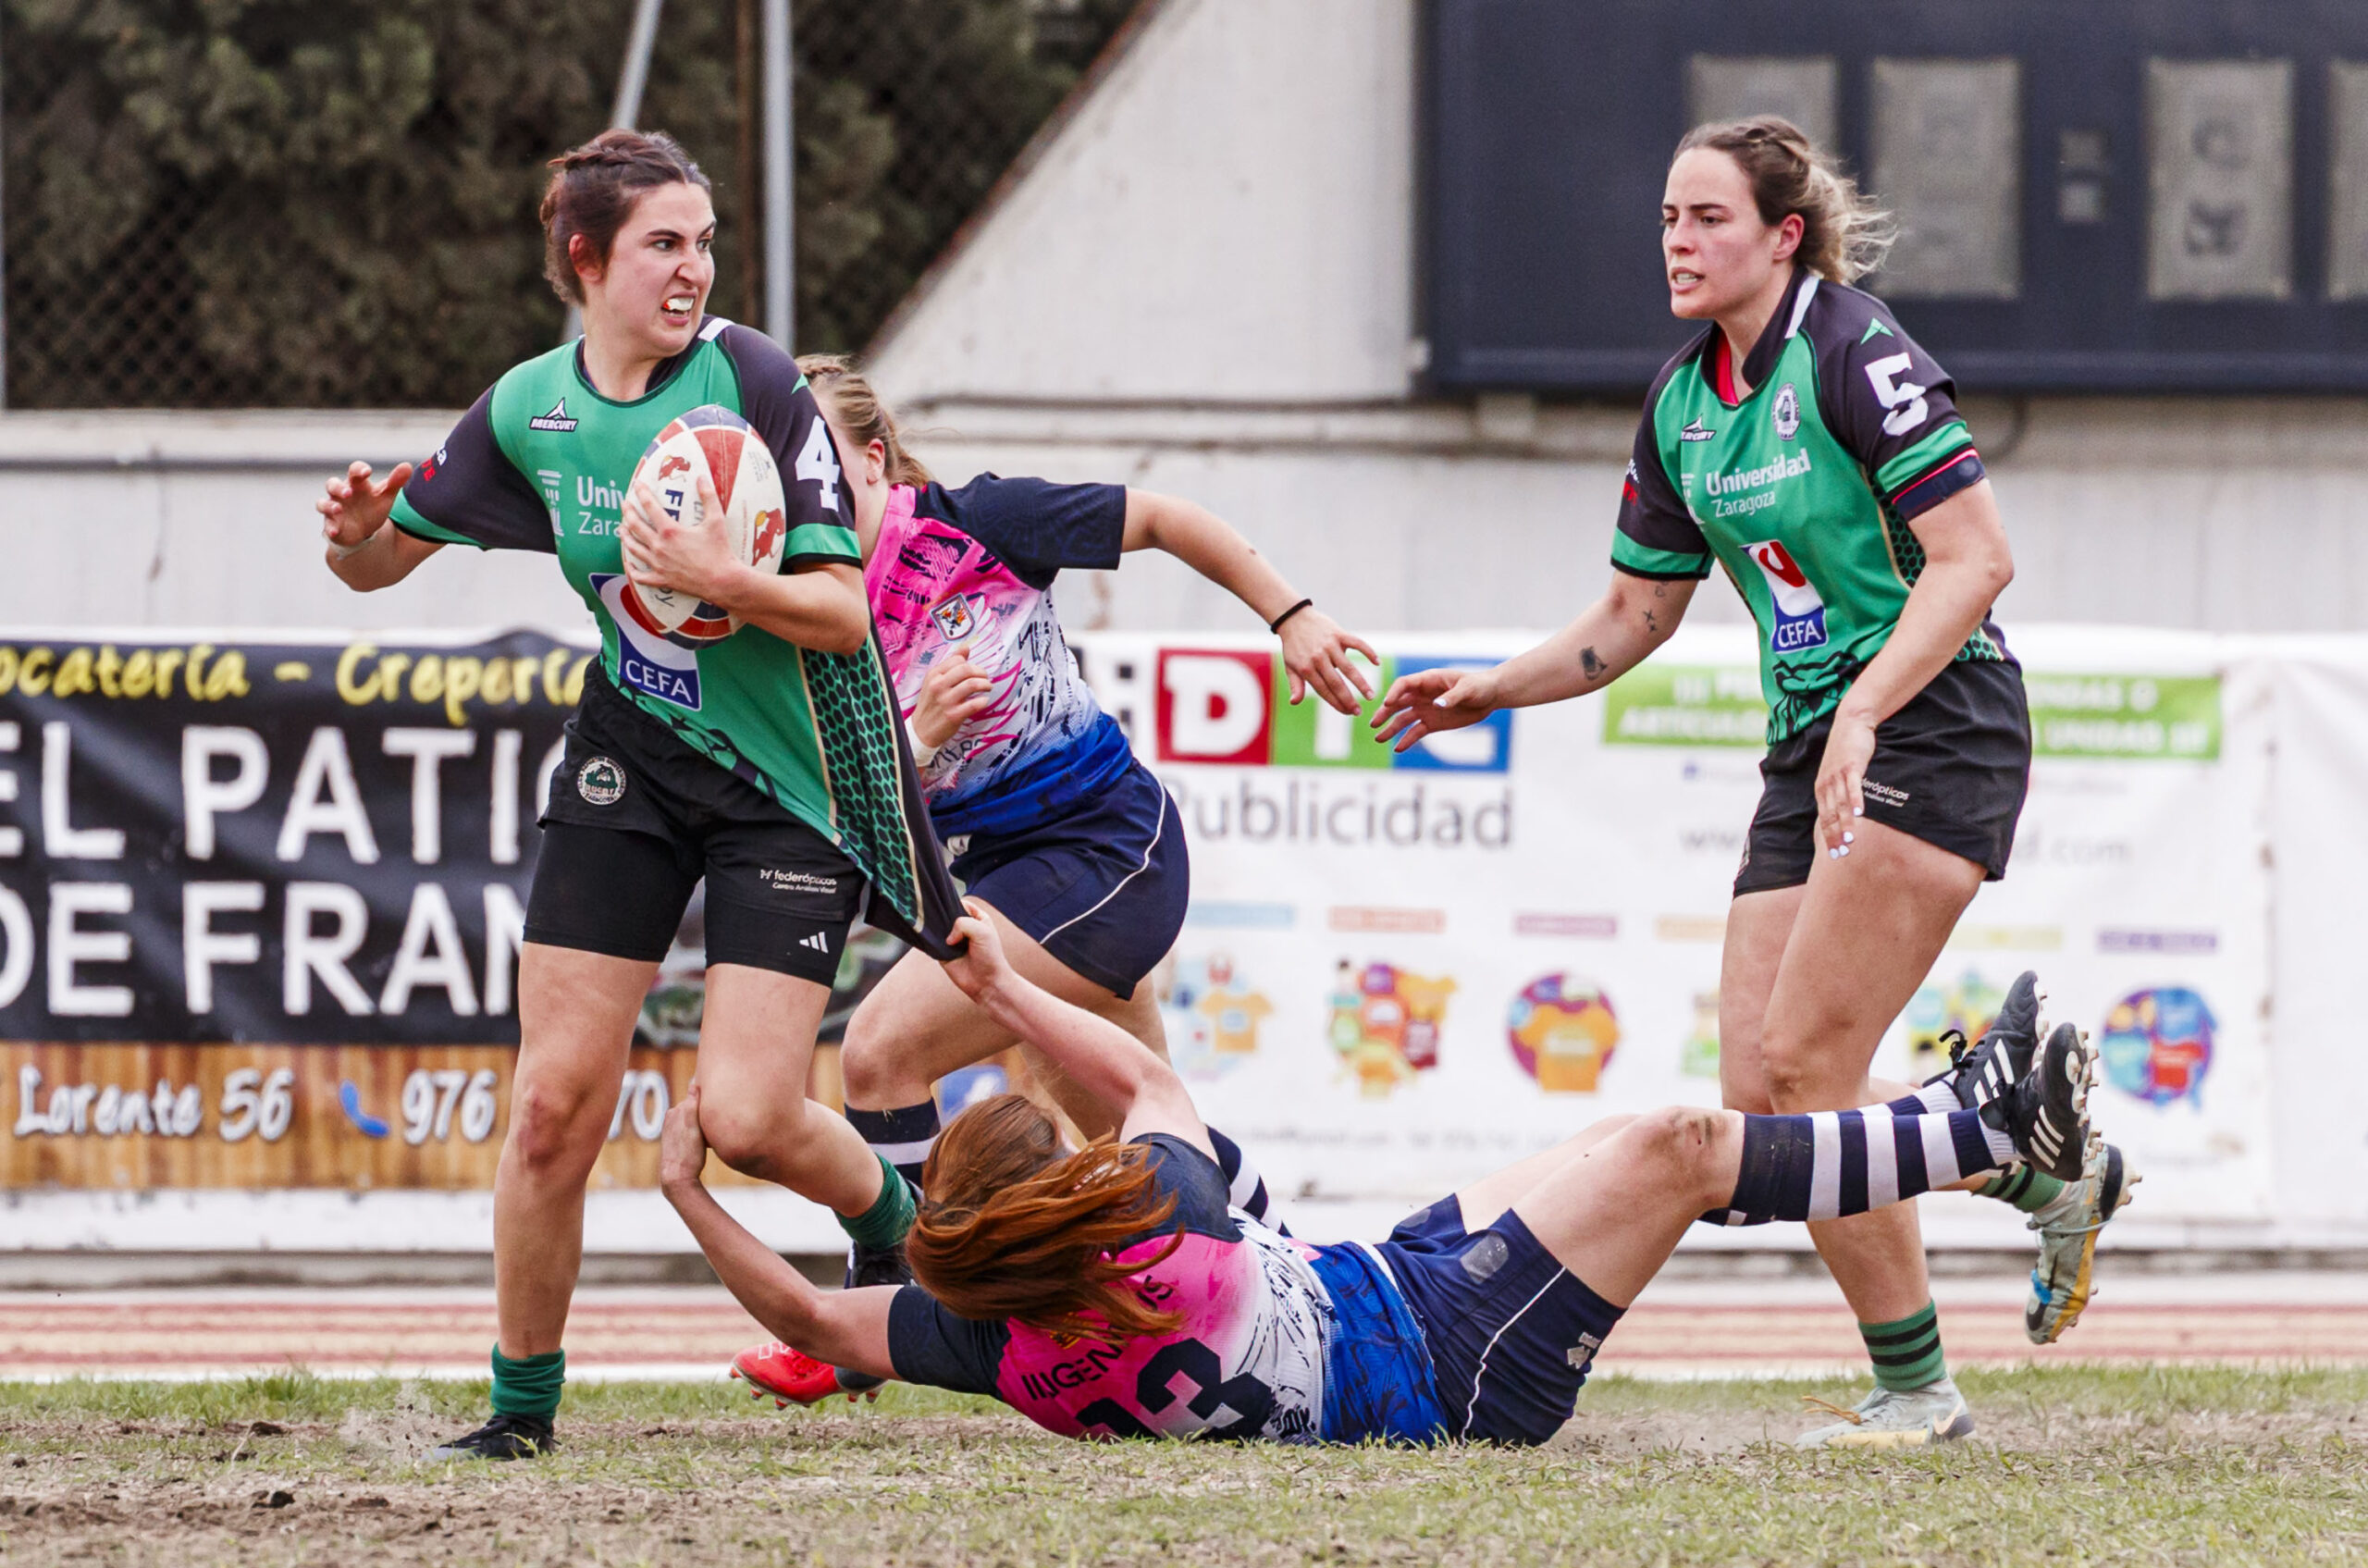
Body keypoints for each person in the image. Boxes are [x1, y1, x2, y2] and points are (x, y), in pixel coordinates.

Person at [1370, 117, 2131, 1446]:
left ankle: (1918, 1388)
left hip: (1934, 717)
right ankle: (2009, 1151)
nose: (1677, 240)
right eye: (1667, 217)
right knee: (1765, 1104)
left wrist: (1866, 714)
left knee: (1810, 1059)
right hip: (1817, 741)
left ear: (1784, 235)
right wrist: (1491, 684)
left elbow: (1975, 559)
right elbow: (1630, 613)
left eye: (1708, 218)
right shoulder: (1679, 402)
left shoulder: (1852, 347)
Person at [312, 130, 961, 1461]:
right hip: (628, 758)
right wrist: (353, 531)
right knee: (553, 1102)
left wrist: (726, 580)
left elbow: (841, 616)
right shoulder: (528, 411)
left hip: (789, 785)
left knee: (748, 1115)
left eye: (706, 241)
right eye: (665, 243)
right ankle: (521, 1409)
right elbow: (380, 567)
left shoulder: (757, 382)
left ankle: (894, 1220)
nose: (693, 268)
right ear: (583, 259)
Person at [663, 902, 2105, 1449]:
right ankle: (1977, 1129)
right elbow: (1140, 1074)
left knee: (1650, 1159)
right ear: (1073, 1200)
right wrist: (1004, 983)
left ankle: (1981, 1156)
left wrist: (688, 1195)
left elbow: (804, 1313)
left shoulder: (982, 1341)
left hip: (1393, 1282)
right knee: (1673, 1148)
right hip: (1456, 1359)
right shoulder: (1160, 1212)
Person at [727, 356, 1377, 1404]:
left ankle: (890, 1314)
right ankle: (1307, 1293)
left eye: (826, 474)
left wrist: (1289, 613)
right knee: (1149, 1149)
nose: (808, 504)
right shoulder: (803, 618)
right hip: (1003, 884)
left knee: (883, 1052)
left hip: (1108, 852)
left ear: (879, 461)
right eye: (784, 487)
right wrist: (920, 741)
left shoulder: (979, 523)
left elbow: (1162, 518)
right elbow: (849, 822)